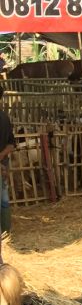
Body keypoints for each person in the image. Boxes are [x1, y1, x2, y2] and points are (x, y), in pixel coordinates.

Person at [0, 95, 13, 242]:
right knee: (4, 196)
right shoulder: (5, 117)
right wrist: (2, 156)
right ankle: (6, 231)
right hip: (4, 162)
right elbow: (12, 144)